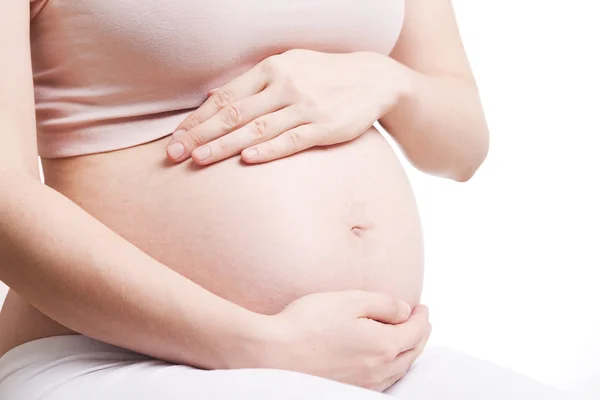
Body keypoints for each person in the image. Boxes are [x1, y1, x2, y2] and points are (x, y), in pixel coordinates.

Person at [0, 0, 567, 398]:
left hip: (362, 366)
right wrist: (257, 345)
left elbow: (463, 145)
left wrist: (388, 80)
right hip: (110, 356)